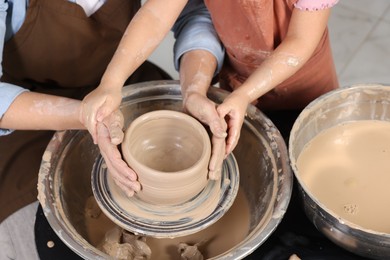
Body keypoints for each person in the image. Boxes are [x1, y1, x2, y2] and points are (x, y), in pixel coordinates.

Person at [81, 0, 340, 192]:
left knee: (314, 166)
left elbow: (300, 42)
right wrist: (112, 82)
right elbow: (156, 14)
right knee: (249, 163)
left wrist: (245, 94)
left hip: (303, 82)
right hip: (237, 74)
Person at [0, 0, 170, 258]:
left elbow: (186, 11)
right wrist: (84, 115)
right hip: (29, 108)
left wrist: (195, 85)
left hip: (124, 86)